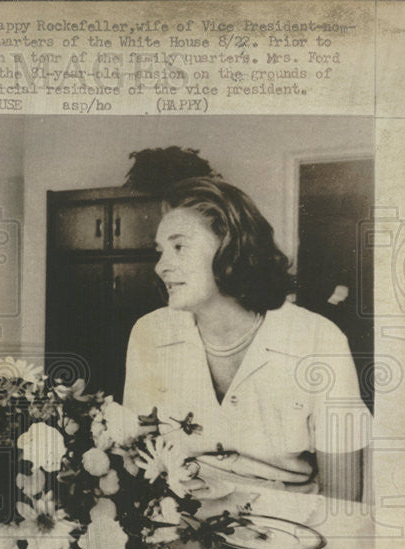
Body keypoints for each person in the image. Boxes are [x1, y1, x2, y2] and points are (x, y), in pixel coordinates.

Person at [124, 177, 369, 501]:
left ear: (232, 247)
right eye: (161, 251)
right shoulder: (150, 334)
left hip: (293, 534)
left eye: (179, 246)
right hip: (183, 525)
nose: (161, 266)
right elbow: (140, 464)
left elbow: (341, 499)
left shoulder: (319, 341)